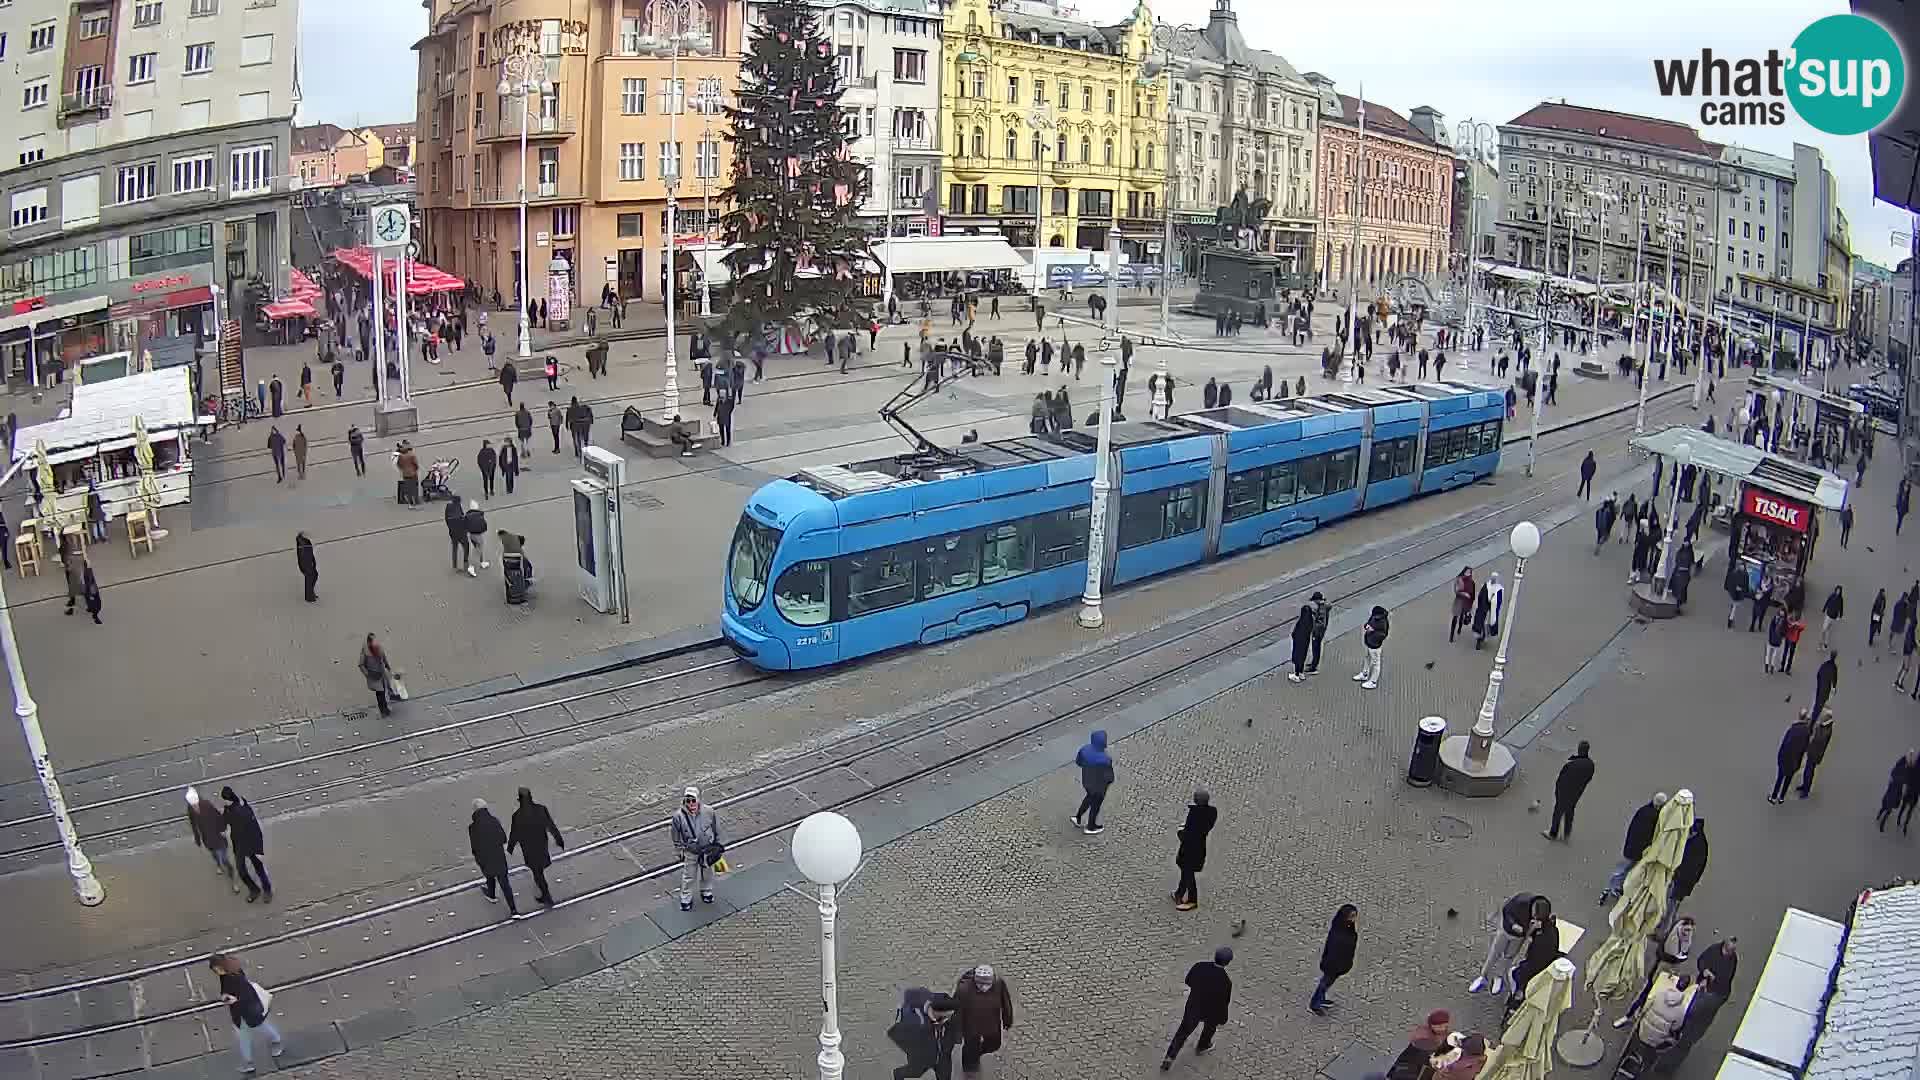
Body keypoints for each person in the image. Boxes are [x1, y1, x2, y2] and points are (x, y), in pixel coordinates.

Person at [1161, 946, 1233, 1070]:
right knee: (1210, 1028)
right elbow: (1224, 1002)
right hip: (1211, 1011)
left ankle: (1170, 1057)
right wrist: (1222, 1018)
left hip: (1194, 1006)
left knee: (1183, 1031)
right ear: (1228, 962)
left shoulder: (1200, 966)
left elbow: (1188, 980)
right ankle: (1203, 1045)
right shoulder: (1226, 982)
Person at [210, 953, 283, 1073]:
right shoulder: (227, 973)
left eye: (217, 969)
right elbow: (225, 986)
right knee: (246, 1035)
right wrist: (224, 995)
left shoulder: (235, 977)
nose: (217, 972)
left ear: (221, 966)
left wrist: (235, 999)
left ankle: (274, 1041)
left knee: (258, 1028)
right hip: (240, 1014)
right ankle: (249, 1061)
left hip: (249, 1011)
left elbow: (247, 994)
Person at [1469, 893, 1547, 995]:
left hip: (1520, 937)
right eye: (1534, 916)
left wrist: (1534, 931)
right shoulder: (1521, 901)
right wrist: (1513, 925)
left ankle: (1498, 977)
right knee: (1494, 953)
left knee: (1508, 957)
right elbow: (1506, 910)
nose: (1535, 918)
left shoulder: (1543, 910)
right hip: (1506, 931)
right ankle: (1483, 976)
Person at [1598, 797, 1665, 903]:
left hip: (1631, 847)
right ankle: (1614, 888)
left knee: (1623, 869)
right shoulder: (1652, 816)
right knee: (1626, 869)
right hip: (1637, 850)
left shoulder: (1644, 810)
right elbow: (1647, 836)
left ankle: (1613, 887)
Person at [507, 786, 564, 906]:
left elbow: (514, 833)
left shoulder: (517, 815)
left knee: (537, 873)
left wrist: (510, 847)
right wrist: (558, 839)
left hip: (529, 848)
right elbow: (550, 825)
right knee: (539, 870)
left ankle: (546, 897)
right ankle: (545, 894)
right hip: (541, 844)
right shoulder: (541, 809)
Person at [953, 965, 1013, 1075]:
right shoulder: (964, 990)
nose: (984, 988)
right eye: (981, 984)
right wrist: (957, 1032)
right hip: (971, 1026)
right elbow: (957, 1012)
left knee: (994, 1044)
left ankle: (976, 1053)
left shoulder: (999, 984)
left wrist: (1007, 1019)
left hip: (991, 1024)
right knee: (970, 1047)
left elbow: (1006, 1002)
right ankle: (969, 1068)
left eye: (987, 984)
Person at [889, 989, 959, 1080]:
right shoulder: (915, 1021)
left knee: (944, 1077)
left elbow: (953, 1029)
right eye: (946, 1016)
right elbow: (896, 1034)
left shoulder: (946, 1015)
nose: (949, 1018)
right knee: (915, 1073)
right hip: (922, 1057)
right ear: (936, 1012)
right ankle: (898, 1074)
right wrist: (915, 1052)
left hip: (942, 1056)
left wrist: (950, 1044)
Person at [671, 786, 721, 910]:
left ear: (698, 800)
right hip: (691, 851)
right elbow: (675, 835)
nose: (691, 804)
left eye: (693, 800)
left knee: (708, 872)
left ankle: (706, 891)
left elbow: (716, 828)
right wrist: (679, 850)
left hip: (707, 849)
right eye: (688, 801)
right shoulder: (678, 816)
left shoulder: (709, 811)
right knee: (688, 876)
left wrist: (717, 845)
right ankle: (686, 898)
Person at [467, 798, 518, 917]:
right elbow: (503, 838)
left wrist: (478, 858)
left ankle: (491, 895)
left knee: (490, 876)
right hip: (498, 856)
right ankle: (513, 910)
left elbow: (474, 846)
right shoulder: (494, 821)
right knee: (505, 883)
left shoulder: (472, 827)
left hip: (484, 858)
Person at [221, 786, 271, 902]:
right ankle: (255, 890)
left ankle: (266, 890)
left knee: (257, 867)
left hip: (250, 844)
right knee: (242, 870)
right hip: (239, 844)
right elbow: (224, 824)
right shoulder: (230, 810)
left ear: (228, 800)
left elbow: (255, 829)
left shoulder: (243, 810)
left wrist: (259, 849)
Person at [185, 785, 237, 892]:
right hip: (207, 838)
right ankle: (218, 864)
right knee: (214, 854)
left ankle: (233, 882)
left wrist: (222, 829)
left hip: (217, 836)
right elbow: (193, 823)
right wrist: (197, 837)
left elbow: (218, 816)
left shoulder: (207, 805)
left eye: (195, 804)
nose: (195, 807)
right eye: (192, 805)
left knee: (225, 860)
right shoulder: (190, 809)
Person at [1172, 789, 1217, 911]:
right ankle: (1179, 893)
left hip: (1189, 849)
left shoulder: (1195, 815)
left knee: (1188, 873)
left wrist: (1181, 832)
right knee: (1186, 871)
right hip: (1200, 847)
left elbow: (1188, 834)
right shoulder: (1212, 812)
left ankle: (1192, 900)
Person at [1544, 741, 1595, 840]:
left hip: (1564, 792)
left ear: (1579, 750)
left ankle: (1553, 833)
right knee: (1570, 810)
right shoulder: (1590, 765)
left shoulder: (1572, 764)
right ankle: (1567, 832)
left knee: (1558, 811)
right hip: (1577, 792)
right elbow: (1588, 779)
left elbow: (1562, 778)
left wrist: (1557, 791)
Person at [1312, 904, 1358, 1015]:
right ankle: (1315, 1004)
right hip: (1333, 966)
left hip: (1339, 965)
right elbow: (1333, 952)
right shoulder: (1339, 934)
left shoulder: (1345, 927)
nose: (1354, 919)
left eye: (1355, 916)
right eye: (1351, 916)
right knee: (1324, 984)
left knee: (1326, 984)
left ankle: (1321, 999)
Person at [1071, 730, 1114, 835]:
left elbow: (1079, 762)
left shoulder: (1084, 750)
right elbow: (1109, 776)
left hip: (1087, 782)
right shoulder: (1105, 759)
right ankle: (1090, 826)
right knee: (1095, 806)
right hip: (1099, 787)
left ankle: (1078, 817)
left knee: (1088, 798)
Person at [1387, 1011, 1452, 1080]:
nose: (1442, 1028)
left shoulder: (1441, 1036)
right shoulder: (1424, 1038)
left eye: (1445, 1026)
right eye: (1439, 1026)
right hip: (1406, 1070)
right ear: (1431, 1025)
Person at [1796, 709, 1835, 798]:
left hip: (1815, 753)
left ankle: (1806, 791)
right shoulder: (1825, 727)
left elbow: (1818, 740)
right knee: (1808, 770)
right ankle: (1805, 786)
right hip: (1814, 752)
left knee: (1809, 772)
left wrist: (1816, 729)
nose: (1821, 718)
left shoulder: (1825, 730)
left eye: (1823, 717)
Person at [359, 632, 397, 717]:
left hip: (381, 672)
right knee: (380, 693)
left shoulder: (378, 647)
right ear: (369, 642)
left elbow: (383, 657)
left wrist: (388, 667)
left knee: (384, 690)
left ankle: (386, 706)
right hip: (373, 675)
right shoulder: (365, 651)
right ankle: (383, 710)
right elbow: (361, 664)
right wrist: (368, 674)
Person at [1354, 605, 1389, 689]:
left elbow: (1383, 635)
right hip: (1369, 642)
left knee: (1376, 663)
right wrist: (1366, 626)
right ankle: (1364, 674)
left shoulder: (1383, 622)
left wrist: (1372, 632)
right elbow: (1368, 623)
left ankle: (1373, 682)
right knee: (1367, 658)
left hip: (1375, 646)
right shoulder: (1374, 617)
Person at [1878, 752, 1915, 831]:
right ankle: (1881, 819)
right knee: (1887, 807)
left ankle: (1881, 820)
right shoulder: (1901, 768)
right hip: (1894, 790)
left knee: (1887, 807)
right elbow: (1903, 778)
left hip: (1895, 791)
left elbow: (1905, 779)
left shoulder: (1902, 768)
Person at [1473, 572, 1504, 651]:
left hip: (1491, 610)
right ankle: (1479, 641)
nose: (1493, 579)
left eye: (1495, 578)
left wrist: (1494, 601)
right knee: (1480, 624)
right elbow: (1481, 596)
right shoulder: (1486, 585)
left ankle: (1485, 636)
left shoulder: (1499, 588)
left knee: (1488, 624)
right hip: (1484, 608)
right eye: (1493, 578)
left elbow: (1499, 600)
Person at [1287, 603, 1315, 682]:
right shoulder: (1310, 621)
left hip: (1298, 642)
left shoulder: (1301, 621)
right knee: (1302, 657)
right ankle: (1301, 673)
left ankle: (1296, 675)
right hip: (1306, 641)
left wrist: (1293, 635)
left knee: (1297, 658)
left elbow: (1296, 632)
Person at [445, 495, 471, 572]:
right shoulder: (458, 507)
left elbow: (446, 518)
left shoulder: (448, 506)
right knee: (466, 546)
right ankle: (465, 563)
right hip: (461, 532)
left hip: (453, 532)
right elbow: (463, 518)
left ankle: (454, 565)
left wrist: (450, 528)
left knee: (455, 548)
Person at [1450, 566, 1476, 642]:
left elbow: (1473, 594)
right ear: (1463, 571)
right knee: (1455, 617)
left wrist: (1471, 604)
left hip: (1466, 602)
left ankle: (1459, 629)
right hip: (1459, 601)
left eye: (1470, 572)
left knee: (1462, 616)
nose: (1468, 573)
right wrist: (1464, 594)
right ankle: (1451, 636)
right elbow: (1456, 591)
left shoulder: (1471, 582)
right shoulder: (1459, 579)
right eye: (1467, 572)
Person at [1812, 649, 1840, 719]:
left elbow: (1818, 674)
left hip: (1820, 686)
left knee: (1817, 702)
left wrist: (1819, 683)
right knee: (1821, 704)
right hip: (1826, 688)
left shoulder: (1824, 664)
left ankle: (1813, 715)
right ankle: (1815, 718)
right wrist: (1834, 687)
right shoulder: (1834, 668)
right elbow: (1834, 680)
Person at [465, 500, 490, 576]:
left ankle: (482, 562)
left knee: (477, 548)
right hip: (478, 535)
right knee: (478, 549)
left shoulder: (467, 515)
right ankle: (471, 567)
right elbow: (484, 525)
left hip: (471, 534)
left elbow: (465, 525)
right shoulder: (479, 515)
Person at [295, 532, 318, 603]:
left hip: (309, 563)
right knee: (310, 576)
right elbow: (301, 558)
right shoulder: (301, 547)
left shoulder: (307, 544)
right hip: (305, 565)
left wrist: (314, 562)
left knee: (315, 575)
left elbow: (310, 553)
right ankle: (309, 597)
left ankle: (311, 592)